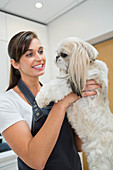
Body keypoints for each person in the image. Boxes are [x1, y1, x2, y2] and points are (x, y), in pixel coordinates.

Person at [0, 31, 101, 170]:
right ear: (15, 64)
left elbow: (78, 145)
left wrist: (85, 103)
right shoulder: (6, 102)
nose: (39, 58)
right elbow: (36, 161)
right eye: (29, 54)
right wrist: (62, 104)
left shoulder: (56, 91)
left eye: (40, 51)